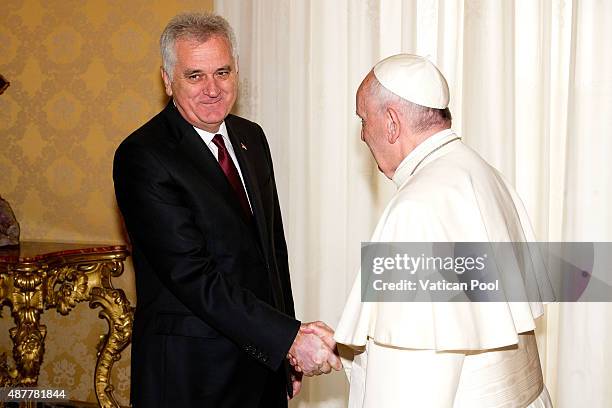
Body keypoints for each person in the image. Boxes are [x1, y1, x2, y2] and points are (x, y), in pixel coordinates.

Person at [113, 12, 340, 408]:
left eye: (223, 71)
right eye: (195, 75)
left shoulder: (252, 137)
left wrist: (284, 351)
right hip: (193, 377)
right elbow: (193, 275)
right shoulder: (143, 156)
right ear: (168, 80)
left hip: (261, 365)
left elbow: (272, 254)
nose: (213, 89)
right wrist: (287, 337)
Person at [329, 54, 554, 407]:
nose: (362, 134)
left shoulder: (416, 211)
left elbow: (410, 382)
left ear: (390, 122)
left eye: (363, 119)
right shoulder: (485, 174)